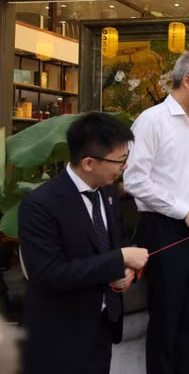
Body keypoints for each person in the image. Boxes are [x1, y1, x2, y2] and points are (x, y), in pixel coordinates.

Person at [18, 112, 149, 374]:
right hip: (59, 335)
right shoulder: (41, 206)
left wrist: (127, 272)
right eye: (120, 161)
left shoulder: (108, 191)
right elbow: (48, 274)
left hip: (101, 327)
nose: (124, 167)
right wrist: (119, 259)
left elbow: (116, 241)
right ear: (88, 163)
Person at [124, 50, 189, 374]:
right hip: (164, 227)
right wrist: (184, 212)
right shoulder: (151, 121)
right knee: (167, 314)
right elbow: (135, 180)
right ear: (187, 80)